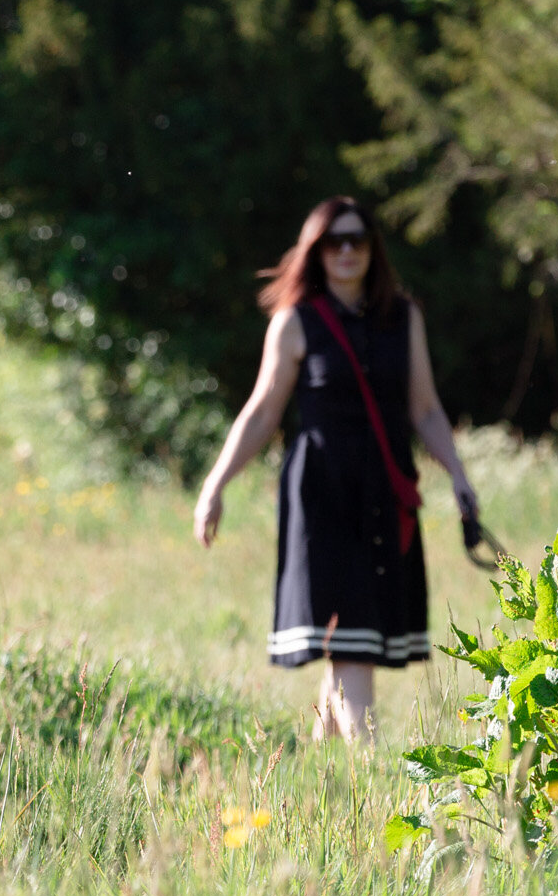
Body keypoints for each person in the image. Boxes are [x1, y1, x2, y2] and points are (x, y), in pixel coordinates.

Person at [192, 198, 479, 741]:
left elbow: (425, 409)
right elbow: (261, 411)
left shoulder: (404, 318)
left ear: (374, 249)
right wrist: (216, 484)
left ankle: (323, 768)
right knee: (349, 635)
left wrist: (460, 477)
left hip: (386, 491)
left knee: (354, 636)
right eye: (333, 241)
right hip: (322, 493)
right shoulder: (295, 322)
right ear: (315, 250)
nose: (347, 251)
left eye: (358, 240)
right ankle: (372, 775)